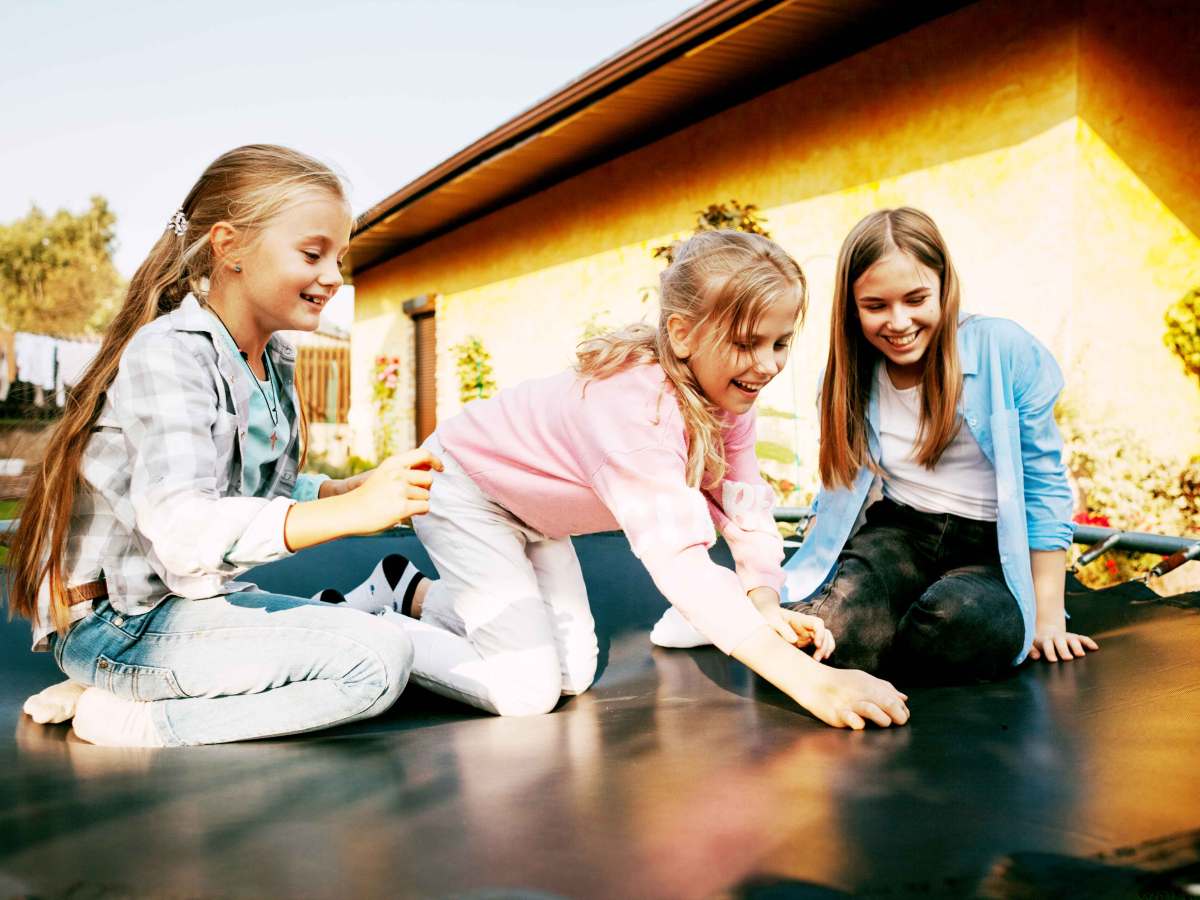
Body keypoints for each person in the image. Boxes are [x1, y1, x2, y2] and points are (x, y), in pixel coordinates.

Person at [385, 230, 910, 730]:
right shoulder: (636, 408)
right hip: (465, 486)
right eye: (749, 342)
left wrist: (765, 602)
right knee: (526, 691)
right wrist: (812, 682)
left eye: (780, 343)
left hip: (533, 515)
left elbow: (744, 506)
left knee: (571, 673)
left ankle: (404, 590)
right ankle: (369, 632)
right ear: (682, 333)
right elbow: (678, 560)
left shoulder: (728, 397)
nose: (767, 365)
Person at [9, 144, 439, 747]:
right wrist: (346, 514)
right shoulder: (169, 353)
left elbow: (258, 489)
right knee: (375, 661)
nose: (335, 277)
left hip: (193, 606)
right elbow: (185, 528)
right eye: (313, 253)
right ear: (229, 245)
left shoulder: (272, 359)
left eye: (339, 257)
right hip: (119, 626)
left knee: (367, 636)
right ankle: (138, 717)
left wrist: (346, 489)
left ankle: (147, 684)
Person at [655, 208, 1098, 681]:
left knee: (959, 622)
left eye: (916, 299)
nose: (899, 321)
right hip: (903, 533)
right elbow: (843, 495)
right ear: (852, 307)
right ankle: (855, 638)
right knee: (822, 632)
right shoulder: (853, 375)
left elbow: (1044, 485)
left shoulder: (1003, 350)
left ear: (944, 288)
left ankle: (889, 644)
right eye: (876, 306)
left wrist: (1048, 617)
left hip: (992, 548)